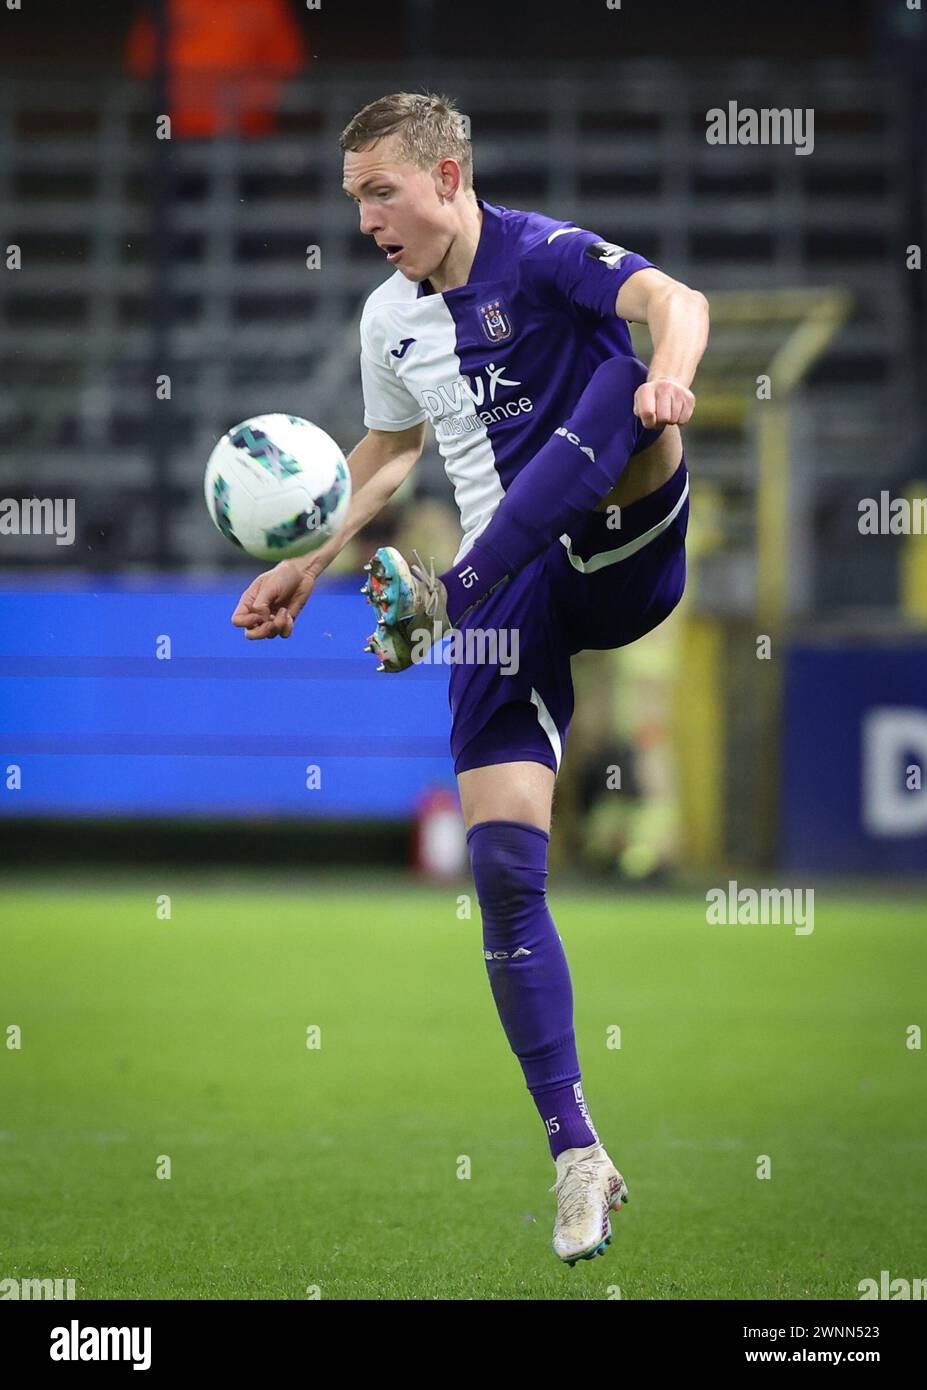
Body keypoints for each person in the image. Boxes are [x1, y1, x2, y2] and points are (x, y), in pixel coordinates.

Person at [231, 91, 709, 1266]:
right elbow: (390, 453)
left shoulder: (542, 257)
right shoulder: (389, 321)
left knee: (613, 372)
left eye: (382, 191)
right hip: (509, 601)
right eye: (355, 200)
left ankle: (446, 595)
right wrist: (307, 557)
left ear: (449, 176)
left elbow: (673, 303)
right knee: (503, 870)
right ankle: (578, 1152)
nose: (369, 220)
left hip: (616, 545)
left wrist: (675, 379)